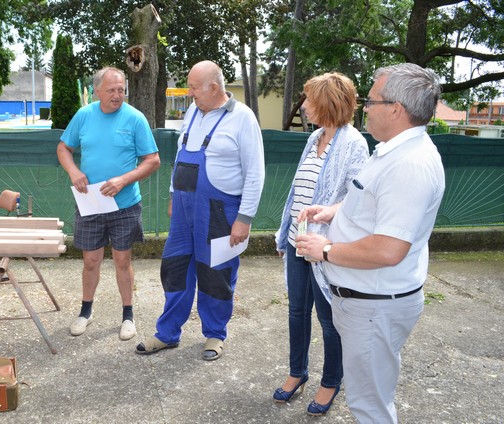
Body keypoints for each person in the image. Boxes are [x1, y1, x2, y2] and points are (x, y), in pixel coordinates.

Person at [296, 63, 445, 423]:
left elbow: (389, 249)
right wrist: (333, 212)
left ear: (395, 109)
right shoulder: (391, 152)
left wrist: (325, 250)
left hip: (374, 307)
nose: (365, 107)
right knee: (368, 397)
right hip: (368, 303)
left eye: (372, 101)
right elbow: (371, 204)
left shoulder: (409, 164)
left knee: (369, 406)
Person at [135, 60, 265, 360]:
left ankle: (215, 334)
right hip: (184, 209)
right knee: (175, 269)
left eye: (194, 87)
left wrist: (244, 219)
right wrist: (173, 194)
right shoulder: (193, 111)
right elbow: (180, 155)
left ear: (214, 88)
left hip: (220, 210)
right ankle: (167, 333)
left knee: (216, 274)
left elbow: (255, 172)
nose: (189, 92)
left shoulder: (242, 118)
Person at [273, 72, 369, 415]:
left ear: (327, 104)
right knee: (297, 312)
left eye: (310, 100)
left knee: (329, 318)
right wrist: (286, 230)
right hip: (298, 240)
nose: (304, 106)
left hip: (326, 247)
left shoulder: (355, 143)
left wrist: (327, 217)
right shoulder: (314, 137)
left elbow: (358, 199)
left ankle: (330, 381)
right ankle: (297, 372)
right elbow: (297, 190)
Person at [57, 66, 160, 341]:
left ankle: (128, 315)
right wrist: (74, 172)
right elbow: (63, 148)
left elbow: (153, 160)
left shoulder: (135, 118)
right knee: (90, 260)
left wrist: (123, 180)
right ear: (97, 91)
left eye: (121, 90)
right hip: (90, 203)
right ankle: (86, 312)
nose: (117, 95)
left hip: (125, 204)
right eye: (111, 90)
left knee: (122, 260)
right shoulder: (84, 115)